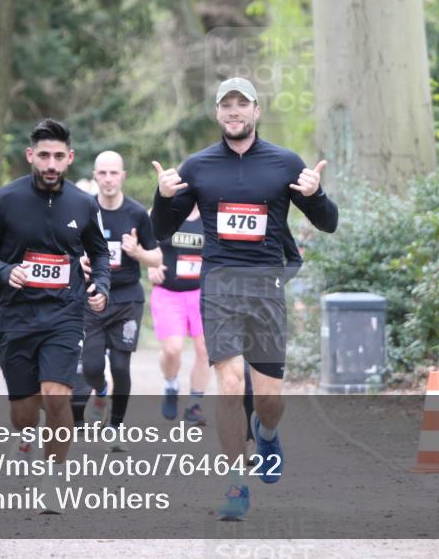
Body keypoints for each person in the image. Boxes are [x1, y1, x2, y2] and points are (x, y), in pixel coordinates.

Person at [151, 77, 338, 520]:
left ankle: (267, 434)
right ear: (217, 114)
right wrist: (161, 199)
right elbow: (161, 229)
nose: (234, 113)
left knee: (270, 399)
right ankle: (236, 484)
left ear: (256, 111)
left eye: (243, 105)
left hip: (266, 288)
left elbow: (327, 223)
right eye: (226, 106)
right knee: (230, 386)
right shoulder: (197, 167)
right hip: (219, 287)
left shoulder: (284, 163)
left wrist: (316, 195)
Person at [0, 118, 110, 512]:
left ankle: (54, 478)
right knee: (25, 410)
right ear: (31, 155)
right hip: (15, 315)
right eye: (43, 155)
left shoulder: (84, 204)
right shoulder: (3, 200)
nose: (51, 163)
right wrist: (3, 271)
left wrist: (101, 287)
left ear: (70, 159)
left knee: (57, 397)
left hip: (65, 313)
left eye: (58, 157)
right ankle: (26, 434)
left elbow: (99, 252)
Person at [81, 150, 161, 451]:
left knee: (120, 366)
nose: (108, 179)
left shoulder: (137, 213)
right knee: (90, 366)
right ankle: (100, 392)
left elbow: (156, 258)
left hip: (127, 299)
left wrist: (137, 252)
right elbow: (67, 248)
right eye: (102, 173)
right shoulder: (83, 210)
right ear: (95, 176)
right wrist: (80, 259)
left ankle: (115, 427)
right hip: (92, 298)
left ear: (123, 176)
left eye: (114, 173)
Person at [147, 204, 209, 425]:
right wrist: (151, 265)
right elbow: (146, 242)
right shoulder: (163, 211)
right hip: (168, 292)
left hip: (201, 292)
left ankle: (194, 405)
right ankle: (171, 384)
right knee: (173, 349)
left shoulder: (210, 211)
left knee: (205, 350)